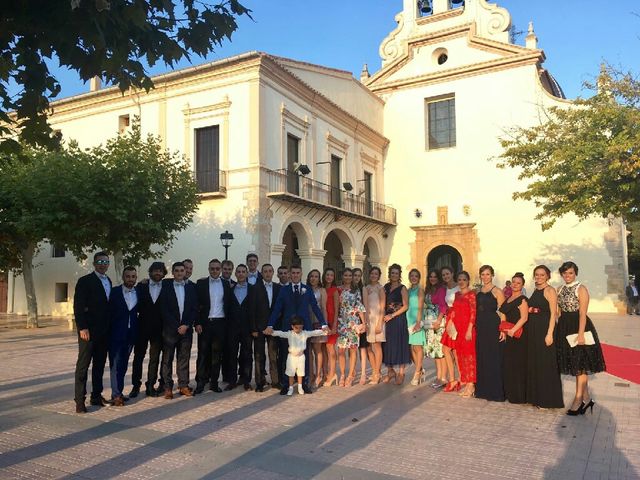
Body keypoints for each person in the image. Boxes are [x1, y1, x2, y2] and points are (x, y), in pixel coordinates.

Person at [265, 264, 327, 395]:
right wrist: (270, 325)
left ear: (301, 274)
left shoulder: (307, 289)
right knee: (285, 357)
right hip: (288, 327)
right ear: (289, 274)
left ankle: (304, 384)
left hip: (304, 328)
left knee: (305, 357)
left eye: (297, 273)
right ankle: (286, 384)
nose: (295, 275)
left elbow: (315, 307)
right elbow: (277, 308)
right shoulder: (284, 290)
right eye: (292, 273)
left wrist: (323, 323)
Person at [555, 261, 606, 416]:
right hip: (564, 327)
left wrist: (581, 334)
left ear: (575, 273)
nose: (567, 275)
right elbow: (558, 312)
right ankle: (587, 398)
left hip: (579, 326)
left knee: (580, 364)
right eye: (564, 273)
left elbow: (583, 313)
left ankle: (578, 399)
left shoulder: (581, 289)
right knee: (574, 362)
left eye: (570, 273)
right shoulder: (559, 289)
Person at [73, 251, 112, 413]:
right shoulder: (85, 281)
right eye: (100, 261)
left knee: (99, 365)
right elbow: (78, 306)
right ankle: (79, 400)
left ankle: (96, 395)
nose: (103, 264)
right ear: (94, 263)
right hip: (88, 332)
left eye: (106, 262)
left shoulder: (108, 280)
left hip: (104, 331)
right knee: (83, 366)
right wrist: (82, 327)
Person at [526, 265, 563, 409]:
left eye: (542, 275)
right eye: (537, 274)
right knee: (536, 363)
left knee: (546, 364)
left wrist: (549, 334)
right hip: (534, 329)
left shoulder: (550, 290)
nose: (539, 277)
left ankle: (548, 399)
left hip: (545, 329)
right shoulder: (536, 290)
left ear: (547, 276)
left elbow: (554, 313)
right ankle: (536, 397)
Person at [160, 261, 198, 399]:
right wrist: (176, 325)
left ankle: (183, 385)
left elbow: (194, 308)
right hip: (170, 330)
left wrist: (186, 325)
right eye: (177, 270)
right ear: (173, 272)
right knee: (167, 359)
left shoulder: (191, 288)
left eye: (182, 270)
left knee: (184, 359)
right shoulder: (166, 286)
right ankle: (168, 387)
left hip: (186, 330)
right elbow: (163, 309)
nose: (180, 273)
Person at [265, 315, 326, 395]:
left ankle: (300, 387)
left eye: (300, 327)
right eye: (296, 328)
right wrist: (271, 332)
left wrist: (323, 331)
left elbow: (313, 333)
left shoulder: (305, 333)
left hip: (301, 357)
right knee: (290, 373)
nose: (299, 330)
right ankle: (290, 388)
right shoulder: (289, 334)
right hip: (291, 357)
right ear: (292, 327)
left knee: (300, 373)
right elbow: (280, 333)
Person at [130, 261, 166, 398]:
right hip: (142, 327)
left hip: (159, 329)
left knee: (154, 358)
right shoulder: (141, 286)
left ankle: (150, 385)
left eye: (160, 271)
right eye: (155, 270)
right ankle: (135, 385)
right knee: (138, 357)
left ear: (163, 273)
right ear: (150, 272)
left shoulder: (167, 287)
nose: (157, 273)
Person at [194, 259, 229, 394]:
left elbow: (229, 304)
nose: (214, 271)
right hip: (205, 323)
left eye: (217, 268)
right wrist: (197, 322)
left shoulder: (226, 284)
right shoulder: (201, 283)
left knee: (217, 355)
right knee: (202, 355)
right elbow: (196, 305)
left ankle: (214, 383)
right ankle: (201, 383)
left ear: (220, 269)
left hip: (220, 323)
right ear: (209, 269)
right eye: (212, 268)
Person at [441, 271, 477, 398]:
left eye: (464, 279)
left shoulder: (471, 294)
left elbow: (473, 312)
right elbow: (455, 310)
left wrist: (469, 329)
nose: (461, 282)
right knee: (460, 356)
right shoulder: (457, 294)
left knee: (469, 356)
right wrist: (450, 323)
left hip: (467, 328)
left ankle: (471, 385)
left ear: (468, 281)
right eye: (460, 279)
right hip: (458, 329)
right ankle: (466, 381)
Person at [108, 266, 139, 406]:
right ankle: (115, 395)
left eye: (133, 277)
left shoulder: (138, 292)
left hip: (130, 334)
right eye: (128, 276)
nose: (131, 279)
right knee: (115, 365)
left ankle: (119, 392)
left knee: (124, 364)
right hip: (115, 334)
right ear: (123, 277)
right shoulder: (114, 292)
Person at [475, 265, 506, 402]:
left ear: (492, 275)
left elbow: (503, 311)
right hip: (480, 326)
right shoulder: (477, 291)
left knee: (493, 358)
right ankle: (483, 390)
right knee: (482, 357)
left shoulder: (497, 291)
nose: (485, 277)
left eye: (488, 274)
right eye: (483, 274)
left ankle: (495, 392)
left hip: (493, 326)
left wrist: (503, 329)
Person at [223, 264, 256, 391]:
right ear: (235, 274)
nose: (241, 274)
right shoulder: (230, 290)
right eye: (239, 272)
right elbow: (227, 308)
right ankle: (232, 380)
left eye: (243, 271)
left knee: (247, 354)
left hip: (248, 328)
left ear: (247, 274)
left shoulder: (253, 289)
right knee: (232, 354)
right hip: (232, 328)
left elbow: (255, 310)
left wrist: (254, 328)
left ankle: (246, 379)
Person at [499, 273, 529, 404]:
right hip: (509, 334)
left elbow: (524, 318)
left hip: (519, 336)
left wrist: (513, 330)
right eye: (513, 282)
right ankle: (510, 393)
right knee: (509, 364)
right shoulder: (508, 298)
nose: (515, 285)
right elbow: (503, 313)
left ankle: (519, 395)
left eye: (518, 283)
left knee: (518, 365)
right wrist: (503, 330)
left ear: (522, 285)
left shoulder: (523, 299)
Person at [252, 263, 282, 392]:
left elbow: (280, 308)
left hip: (273, 328)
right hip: (259, 328)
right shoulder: (255, 288)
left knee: (273, 355)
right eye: (265, 271)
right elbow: (251, 310)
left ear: (273, 272)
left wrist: (275, 325)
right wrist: (253, 328)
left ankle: (275, 381)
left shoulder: (278, 288)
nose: (268, 273)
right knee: (259, 356)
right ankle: (260, 382)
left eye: (270, 271)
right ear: (262, 273)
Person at [336, 268, 367, 387]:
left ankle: (350, 375)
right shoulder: (338, 290)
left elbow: (359, 307)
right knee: (341, 350)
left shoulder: (356, 290)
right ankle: (343, 374)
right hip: (342, 322)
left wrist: (363, 323)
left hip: (353, 323)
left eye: (350, 275)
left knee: (353, 349)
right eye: (346, 275)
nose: (348, 277)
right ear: (342, 276)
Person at [382, 264, 410, 385]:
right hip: (387, 319)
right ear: (389, 274)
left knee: (400, 344)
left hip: (398, 319)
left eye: (396, 273)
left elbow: (406, 306)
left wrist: (392, 315)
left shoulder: (402, 288)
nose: (394, 275)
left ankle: (401, 372)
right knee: (387, 345)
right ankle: (390, 371)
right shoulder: (386, 287)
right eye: (392, 273)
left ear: (399, 275)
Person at [424, 269, 448, 388]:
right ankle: (438, 376)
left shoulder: (441, 289)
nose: (432, 278)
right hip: (430, 323)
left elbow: (444, 306)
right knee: (435, 351)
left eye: (435, 276)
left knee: (440, 351)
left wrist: (439, 320)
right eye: (431, 277)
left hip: (438, 323)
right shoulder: (428, 289)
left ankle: (443, 377)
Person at [363, 266, 385, 384]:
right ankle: (375, 370)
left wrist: (379, 323)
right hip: (368, 319)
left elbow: (382, 306)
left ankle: (377, 373)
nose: (373, 276)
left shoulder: (380, 288)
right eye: (372, 273)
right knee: (368, 347)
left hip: (377, 319)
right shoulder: (366, 288)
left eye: (376, 274)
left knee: (377, 347)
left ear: (379, 276)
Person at [352, 267, 374, 385]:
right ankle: (354, 371)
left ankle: (364, 373)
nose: (356, 277)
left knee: (363, 348)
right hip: (351, 322)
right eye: (354, 275)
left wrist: (364, 323)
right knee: (353, 349)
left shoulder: (363, 289)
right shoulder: (348, 289)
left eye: (358, 275)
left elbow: (364, 306)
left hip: (361, 321)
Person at [307, 269, 328, 388]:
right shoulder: (305, 289)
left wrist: (323, 323)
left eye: (316, 276)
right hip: (307, 320)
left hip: (318, 320)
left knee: (317, 349)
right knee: (308, 350)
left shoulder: (322, 290)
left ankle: (319, 374)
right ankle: (311, 374)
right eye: (311, 276)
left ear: (319, 278)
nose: (313, 278)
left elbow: (324, 308)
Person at [440, 266, 459, 389]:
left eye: (447, 274)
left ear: (452, 274)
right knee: (446, 349)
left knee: (456, 350)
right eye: (443, 275)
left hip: (457, 319)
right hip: (449, 319)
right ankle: (452, 379)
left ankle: (460, 378)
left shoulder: (459, 287)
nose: (446, 276)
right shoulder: (444, 289)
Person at [407, 268, 426, 386]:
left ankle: (417, 372)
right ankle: (420, 368)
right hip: (408, 320)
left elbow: (420, 307)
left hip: (417, 320)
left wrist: (418, 322)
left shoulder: (420, 290)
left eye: (416, 276)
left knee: (418, 347)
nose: (414, 278)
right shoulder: (408, 290)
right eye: (412, 276)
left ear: (419, 278)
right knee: (411, 349)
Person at [322, 267, 340, 387]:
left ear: (334, 278)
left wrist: (334, 325)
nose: (329, 277)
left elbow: (336, 309)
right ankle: (326, 373)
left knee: (330, 348)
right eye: (327, 275)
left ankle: (333, 373)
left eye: (331, 275)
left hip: (332, 322)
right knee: (324, 350)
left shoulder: (334, 290)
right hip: (323, 322)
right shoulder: (322, 289)